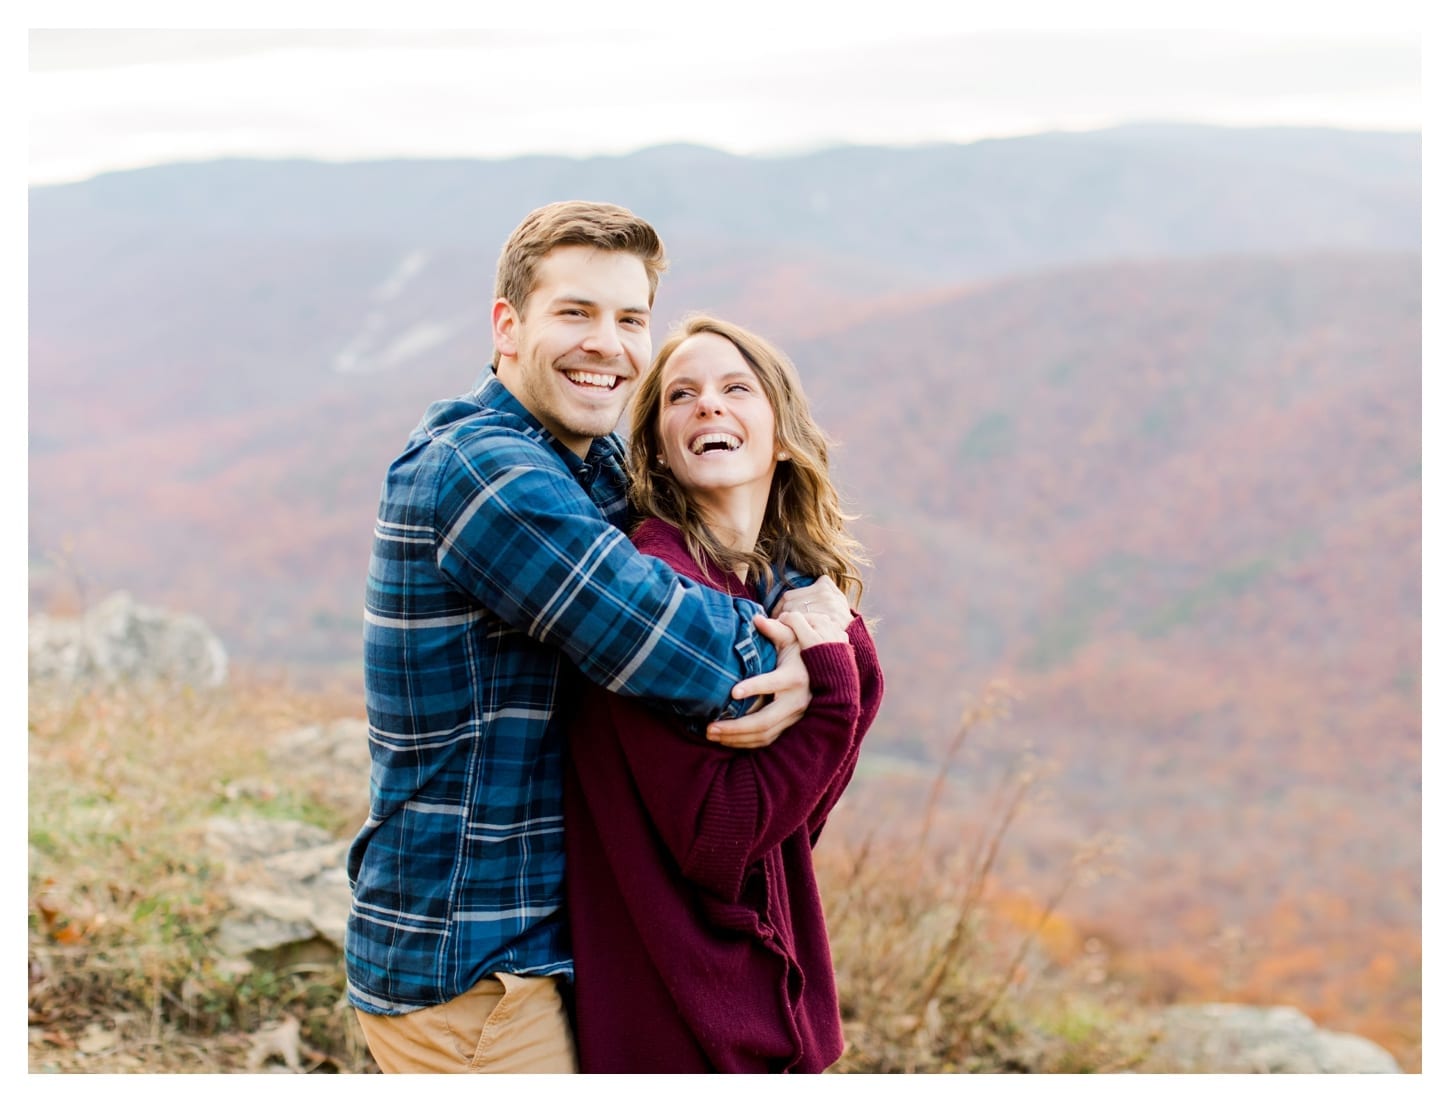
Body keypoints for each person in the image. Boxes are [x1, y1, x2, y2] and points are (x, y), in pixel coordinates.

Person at [345, 201, 845, 1073]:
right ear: (507, 326)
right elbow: (676, 644)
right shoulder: (485, 474)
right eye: (574, 312)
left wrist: (817, 601)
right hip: (478, 972)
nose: (606, 344)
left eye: (628, 319)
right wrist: (816, 658)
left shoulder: (582, 462)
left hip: (549, 949)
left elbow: (722, 554)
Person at [563, 315, 885, 1073]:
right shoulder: (658, 595)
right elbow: (721, 840)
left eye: (735, 388)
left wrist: (843, 643)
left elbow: (801, 820)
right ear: (662, 453)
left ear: (779, 434)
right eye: (681, 395)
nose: (708, 405)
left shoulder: (775, 587)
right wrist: (835, 685)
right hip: (680, 1023)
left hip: (765, 1012)